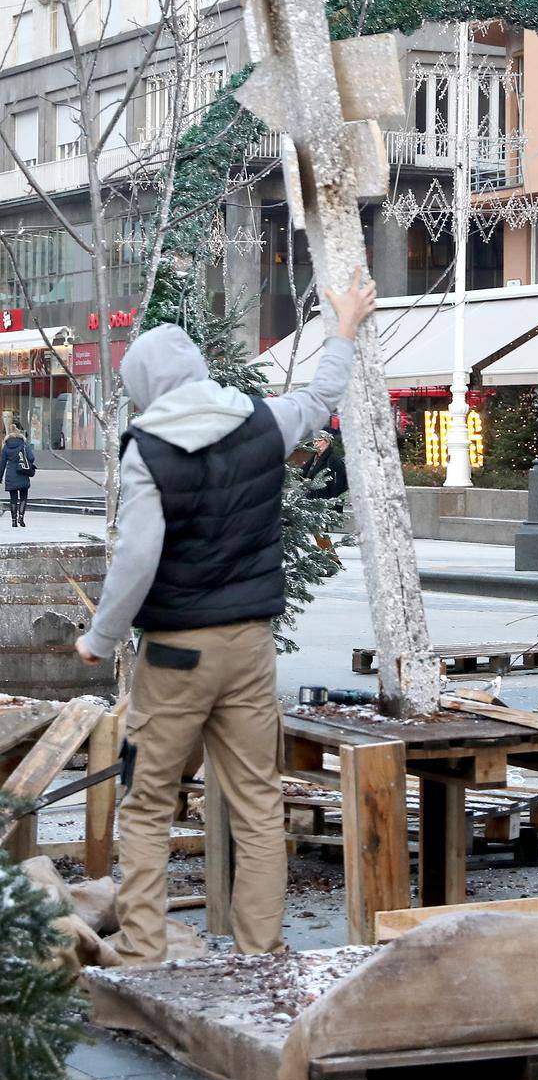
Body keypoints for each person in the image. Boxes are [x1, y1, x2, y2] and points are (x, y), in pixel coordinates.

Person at [74, 267, 376, 965]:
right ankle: (260, 954)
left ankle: (146, 957)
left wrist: (101, 637)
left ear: (145, 385)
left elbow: (138, 557)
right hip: (250, 644)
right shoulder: (263, 421)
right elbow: (324, 394)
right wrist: (344, 327)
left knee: (148, 804)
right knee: (256, 804)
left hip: (176, 653)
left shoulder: (147, 448)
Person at [0, 417, 35, 527]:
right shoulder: (24, 444)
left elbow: (2, 463)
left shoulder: (6, 447)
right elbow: (31, 457)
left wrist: (0, 477)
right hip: (23, 474)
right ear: (19, 432)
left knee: (13, 498)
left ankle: (13, 521)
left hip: (11, 475)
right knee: (23, 496)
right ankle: (21, 517)